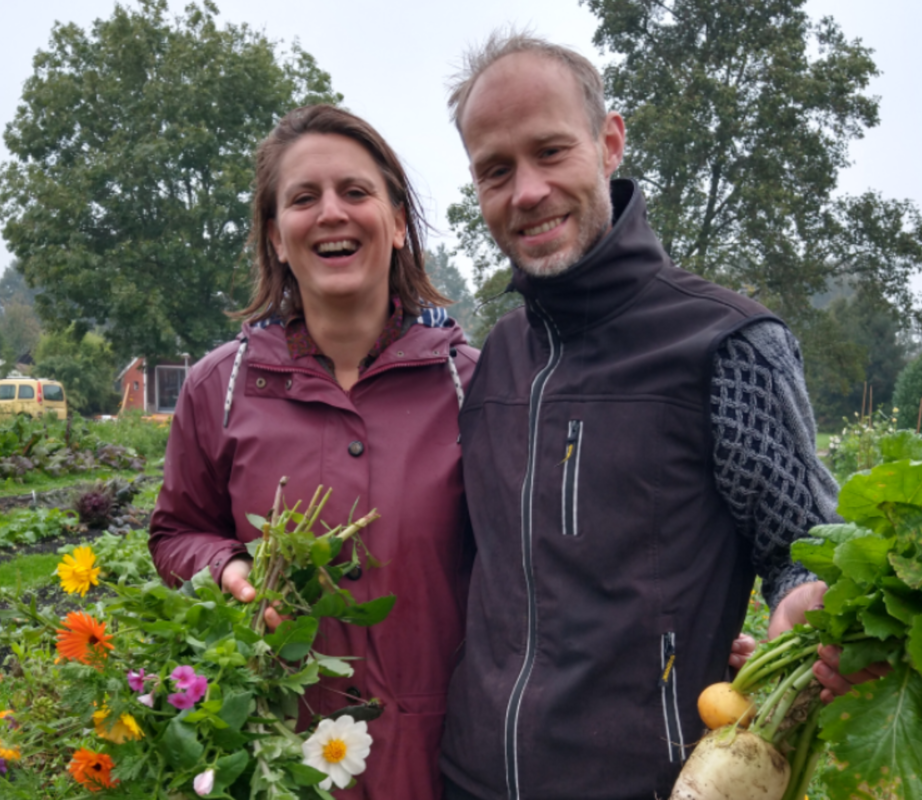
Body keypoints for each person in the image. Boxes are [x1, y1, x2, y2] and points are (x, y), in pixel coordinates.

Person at [437, 33, 884, 800]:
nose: (528, 191)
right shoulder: (497, 357)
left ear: (609, 142)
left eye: (551, 152)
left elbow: (804, 545)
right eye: (496, 170)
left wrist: (809, 598)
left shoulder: (729, 343)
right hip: (471, 778)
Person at [149, 104, 480, 800]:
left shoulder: (471, 384)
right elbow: (176, 533)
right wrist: (226, 566)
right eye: (303, 198)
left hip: (444, 758)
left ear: (396, 223)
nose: (331, 213)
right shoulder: (224, 385)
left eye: (355, 192)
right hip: (276, 753)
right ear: (275, 236)